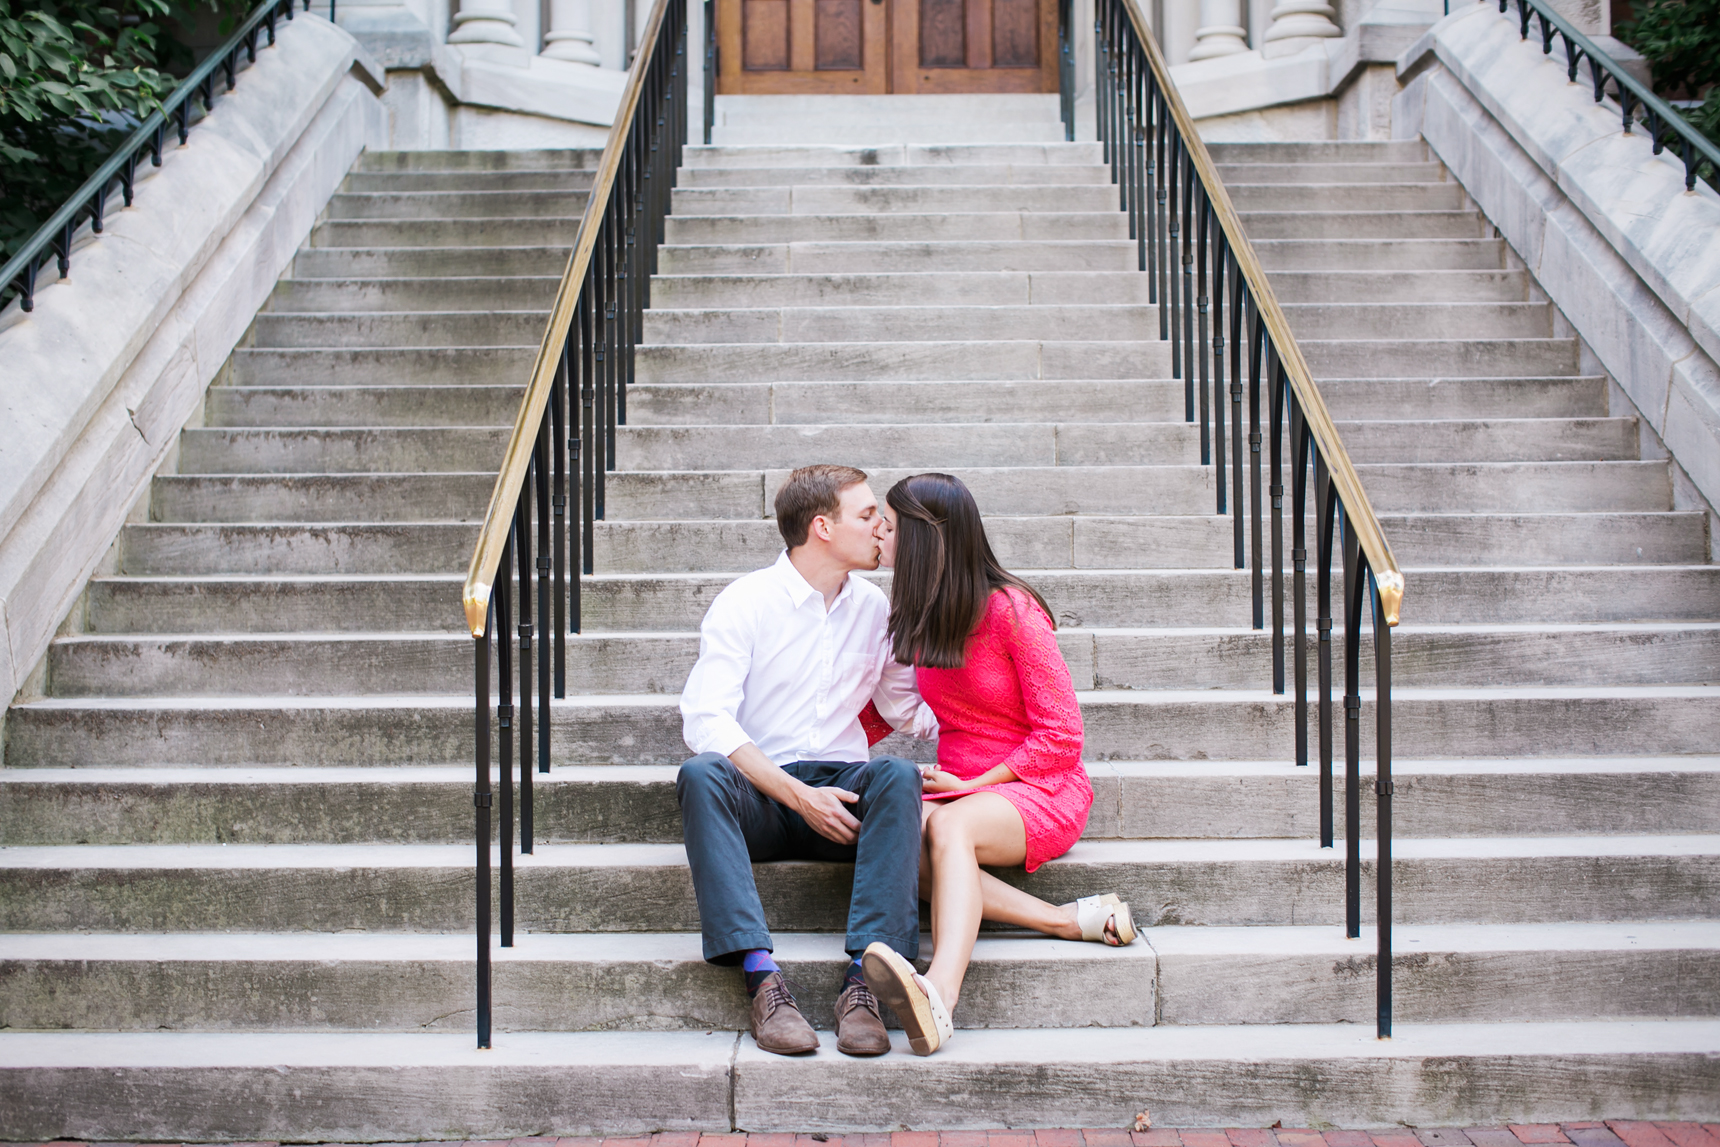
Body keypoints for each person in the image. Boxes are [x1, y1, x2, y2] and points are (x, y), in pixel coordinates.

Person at [860, 471, 1137, 1057]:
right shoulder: (921, 614)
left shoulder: (1012, 610)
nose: (881, 533)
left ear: (925, 535)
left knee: (950, 825)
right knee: (899, 833)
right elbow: (881, 714)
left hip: (1037, 785)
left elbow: (1062, 735)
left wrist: (976, 783)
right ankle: (1065, 920)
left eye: (890, 523)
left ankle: (939, 994)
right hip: (962, 790)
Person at [677, 464, 937, 1058]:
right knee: (701, 773)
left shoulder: (875, 609)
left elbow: (902, 708)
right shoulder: (745, 602)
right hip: (762, 798)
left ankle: (864, 984)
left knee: (897, 773)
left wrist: (991, 734)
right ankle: (762, 978)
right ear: (822, 526)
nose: (882, 528)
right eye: (868, 515)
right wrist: (798, 797)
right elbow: (706, 719)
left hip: (843, 798)